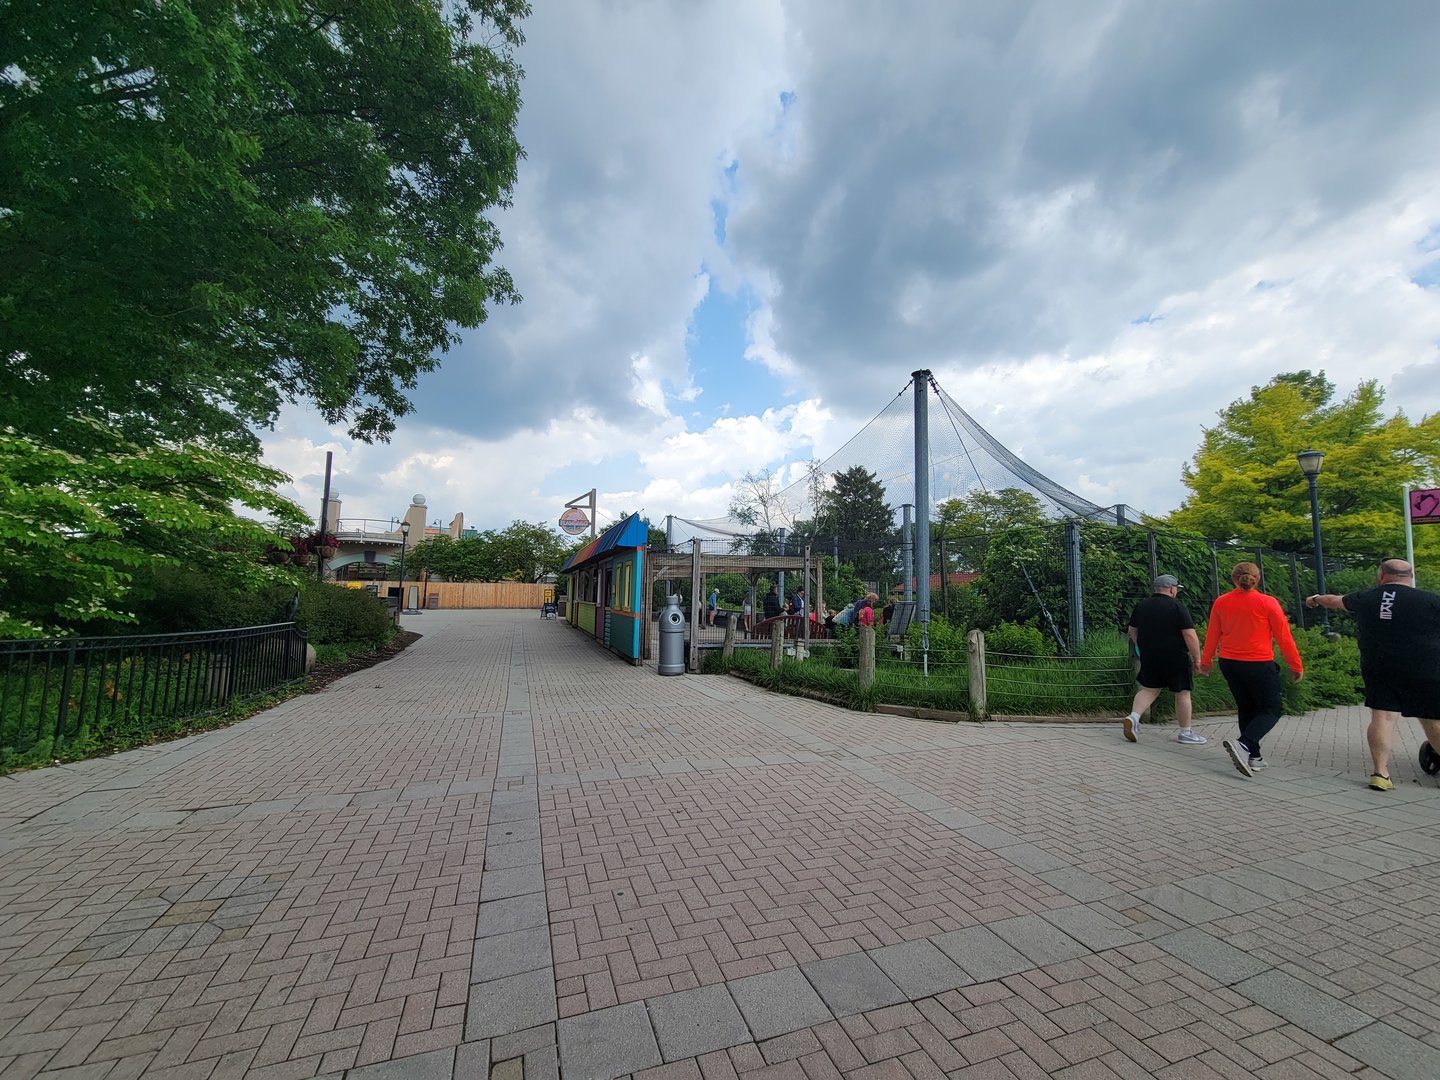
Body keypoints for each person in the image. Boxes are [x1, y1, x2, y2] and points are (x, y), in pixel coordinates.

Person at [1307, 559, 1440, 791]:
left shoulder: (1367, 597)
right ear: (1411, 576)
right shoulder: (1431, 600)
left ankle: (1381, 773)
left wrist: (1315, 599)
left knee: (1383, 717)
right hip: (1425, 668)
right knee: (1432, 721)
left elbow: (1335, 601)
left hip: (1379, 666)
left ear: (1381, 576)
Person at [1200, 562, 1304, 778]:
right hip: (1258, 663)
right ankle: (1244, 745)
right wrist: (1295, 665)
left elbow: (1212, 634)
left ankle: (1254, 757)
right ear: (1257, 579)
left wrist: (1206, 660)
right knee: (1271, 709)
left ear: (1233, 579)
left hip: (1229, 662)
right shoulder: (1268, 602)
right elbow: (1283, 637)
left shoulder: (1221, 602)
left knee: (1246, 707)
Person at [1122, 575, 1206, 745]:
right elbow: (1189, 634)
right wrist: (1197, 659)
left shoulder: (1141, 606)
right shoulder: (1177, 607)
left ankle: (1134, 717)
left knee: (1150, 689)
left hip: (1150, 655)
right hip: (1176, 656)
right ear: (1172, 589)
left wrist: (1142, 646)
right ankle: (1185, 732)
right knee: (1182, 692)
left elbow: (1132, 630)